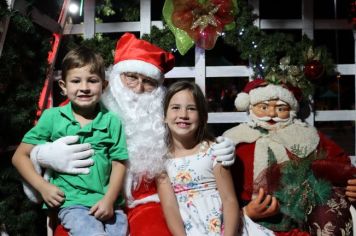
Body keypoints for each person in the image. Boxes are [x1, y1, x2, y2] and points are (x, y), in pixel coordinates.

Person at [23, 33, 236, 236]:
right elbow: (29, 148)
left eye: (149, 81)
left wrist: (221, 145)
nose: (139, 88)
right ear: (114, 78)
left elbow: (189, 136)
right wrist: (42, 155)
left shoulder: (162, 115)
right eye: (131, 77)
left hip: (145, 201)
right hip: (84, 201)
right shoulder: (87, 103)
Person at [12, 46, 129, 236]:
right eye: (76, 81)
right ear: (63, 87)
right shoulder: (52, 118)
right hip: (72, 203)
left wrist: (109, 199)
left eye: (92, 81)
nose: (84, 87)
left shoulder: (112, 121)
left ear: (104, 86)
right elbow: (19, 156)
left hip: (108, 204)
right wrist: (43, 187)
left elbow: (119, 162)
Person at [223, 78, 356, 235]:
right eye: (264, 107)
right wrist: (243, 211)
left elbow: (340, 164)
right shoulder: (234, 139)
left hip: (299, 218)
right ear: (250, 106)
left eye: (280, 108)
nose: (272, 114)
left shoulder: (306, 136)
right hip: (249, 220)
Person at [156, 81, 240, 235]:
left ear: (203, 117)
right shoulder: (160, 160)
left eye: (191, 109)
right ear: (164, 116)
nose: (183, 115)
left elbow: (229, 200)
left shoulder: (215, 151)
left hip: (221, 228)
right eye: (175, 108)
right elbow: (169, 206)